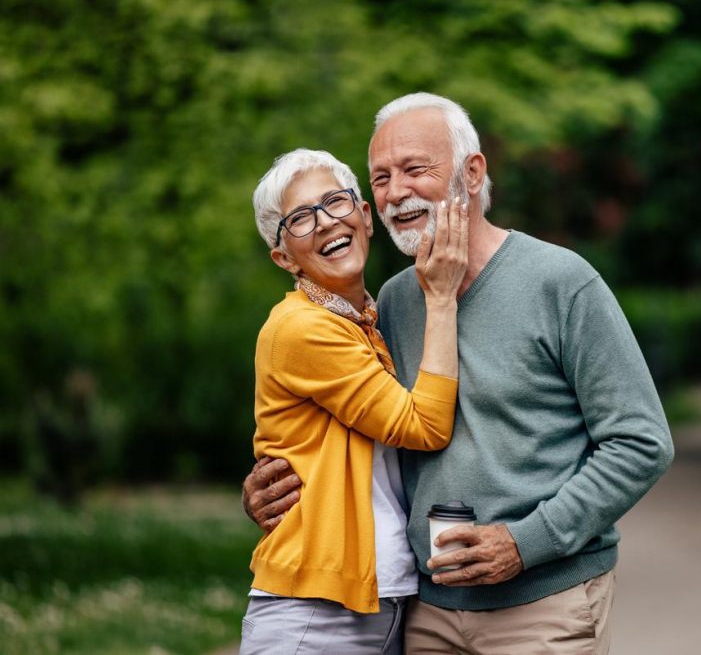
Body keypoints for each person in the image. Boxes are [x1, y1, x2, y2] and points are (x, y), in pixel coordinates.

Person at [244, 94, 674, 653]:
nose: (397, 191)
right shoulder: (390, 304)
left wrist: (525, 542)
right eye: (380, 178)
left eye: (415, 169)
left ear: (472, 173)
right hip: (426, 612)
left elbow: (641, 442)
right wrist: (277, 485)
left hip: (542, 603)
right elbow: (352, 429)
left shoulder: (561, 282)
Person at [241, 148, 468, 654]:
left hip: (381, 601)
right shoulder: (303, 327)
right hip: (315, 615)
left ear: (364, 216)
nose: (324, 223)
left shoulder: (370, 317)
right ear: (283, 257)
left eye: (334, 203)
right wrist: (442, 297)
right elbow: (425, 426)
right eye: (300, 219)